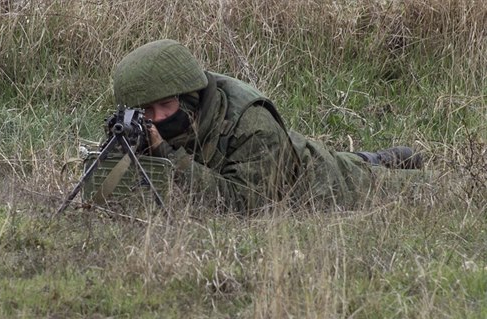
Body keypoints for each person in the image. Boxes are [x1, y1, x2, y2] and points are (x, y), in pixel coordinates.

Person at [111, 39, 424, 214]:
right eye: (144, 111)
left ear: (190, 97)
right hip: (282, 155)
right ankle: (376, 157)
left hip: (313, 181)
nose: (154, 119)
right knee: (349, 161)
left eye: (164, 106)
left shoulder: (252, 124)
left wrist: (167, 155)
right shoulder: (150, 125)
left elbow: (244, 205)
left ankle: (379, 166)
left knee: (415, 188)